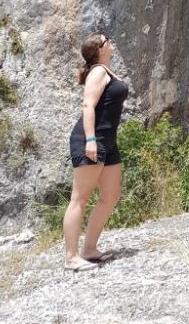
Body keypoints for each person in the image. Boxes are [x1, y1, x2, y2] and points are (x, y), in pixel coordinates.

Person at [63, 32, 129, 271]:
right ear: (100, 49)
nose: (111, 42)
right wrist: (91, 139)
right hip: (91, 139)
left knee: (111, 194)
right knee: (80, 198)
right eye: (107, 40)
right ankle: (71, 258)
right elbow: (88, 104)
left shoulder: (106, 71)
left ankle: (89, 249)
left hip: (107, 141)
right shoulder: (98, 72)